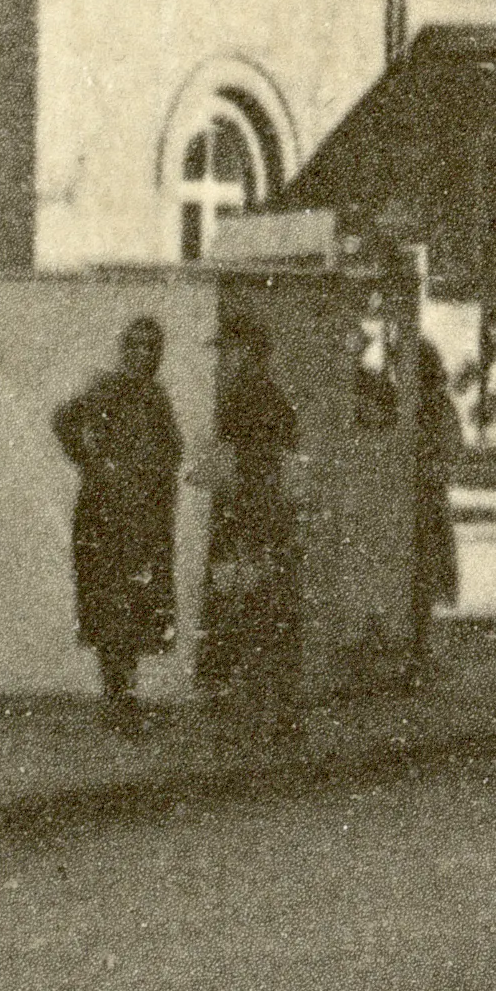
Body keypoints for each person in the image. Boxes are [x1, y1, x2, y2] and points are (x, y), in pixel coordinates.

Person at [53, 316, 182, 722]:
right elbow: (64, 420)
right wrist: (93, 459)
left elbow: (171, 451)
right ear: (125, 349)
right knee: (110, 605)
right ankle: (118, 696)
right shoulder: (104, 388)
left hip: (144, 520)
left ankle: (124, 694)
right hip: (105, 517)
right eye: (136, 345)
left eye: (151, 347)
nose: (143, 354)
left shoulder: (156, 396)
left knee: (137, 606)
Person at [194, 314, 305, 735]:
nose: (223, 358)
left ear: (248, 352)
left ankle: (253, 711)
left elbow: (237, 464)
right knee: (266, 606)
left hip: (247, 517)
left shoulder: (245, 398)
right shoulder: (272, 396)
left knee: (244, 606)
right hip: (268, 516)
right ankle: (275, 708)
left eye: (229, 350)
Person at [405, 330, 460, 686]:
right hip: (425, 498)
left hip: (424, 498)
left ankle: (418, 650)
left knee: (421, 573)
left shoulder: (433, 404)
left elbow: (451, 448)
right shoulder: (429, 403)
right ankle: (416, 649)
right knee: (420, 575)